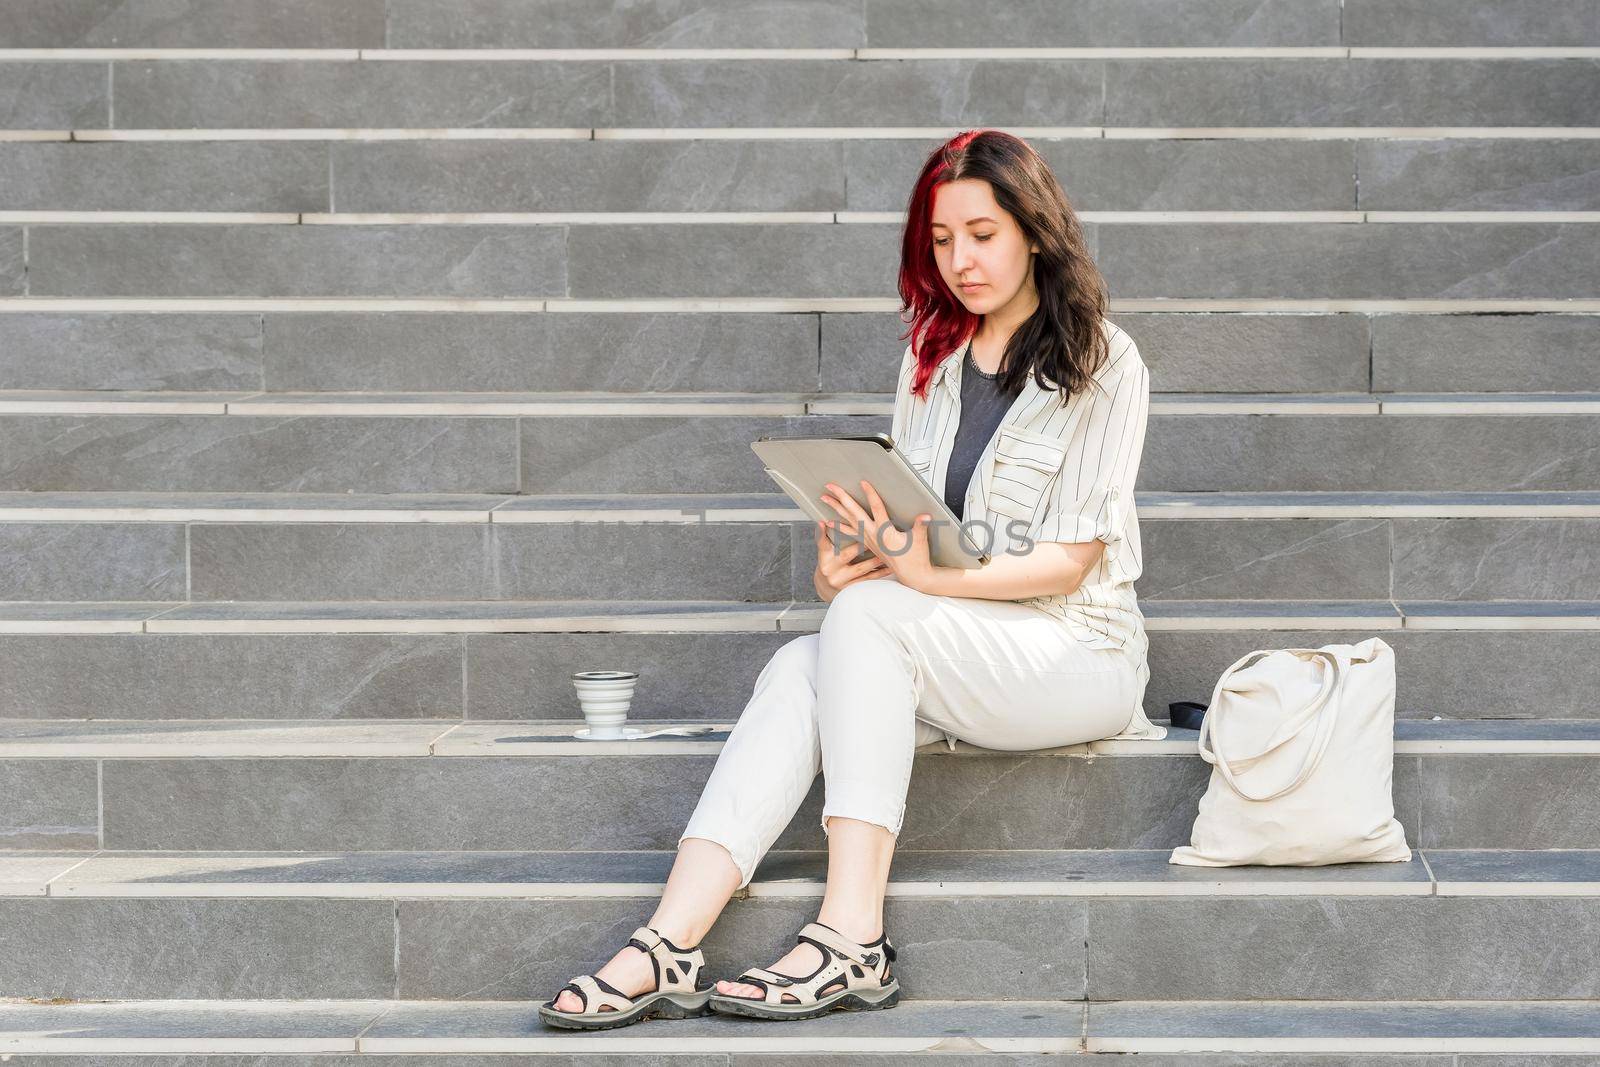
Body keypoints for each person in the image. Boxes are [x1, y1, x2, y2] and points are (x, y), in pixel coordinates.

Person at [539, 128, 1167, 1030]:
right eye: (942, 241)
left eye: (982, 234)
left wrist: (909, 586)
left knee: (867, 620)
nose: (961, 260)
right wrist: (856, 562)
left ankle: (851, 935)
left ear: (1035, 229)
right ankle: (670, 940)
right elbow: (918, 527)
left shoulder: (1104, 360)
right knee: (807, 661)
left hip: (1079, 653)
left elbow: (1074, 559)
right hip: (957, 644)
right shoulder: (931, 357)